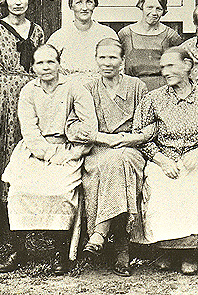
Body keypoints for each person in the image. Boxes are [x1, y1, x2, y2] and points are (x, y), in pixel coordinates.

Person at [0, 44, 97, 275]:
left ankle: (60, 252)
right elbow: (30, 132)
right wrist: (50, 154)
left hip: (68, 149)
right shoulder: (28, 91)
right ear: (33, 67)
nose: (46, 67)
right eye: (40, 63)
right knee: (19, 190)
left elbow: (89, 126)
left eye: (51, 61)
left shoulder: (75, 88)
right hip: (35, 150)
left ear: (59, 64)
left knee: (60, 191)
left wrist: (74, 151)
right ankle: (19, 251)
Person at [133, 47, 198, 274]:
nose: (165, 72)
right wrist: (161, 160)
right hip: (163, 158)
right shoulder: (153, 99)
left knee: (196, 185)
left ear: (187, 65)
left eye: (170, 66)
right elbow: (139, 135)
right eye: (162, 67)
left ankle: (190, 252)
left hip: (196, 159)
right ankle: (166, 250)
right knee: (160, 184)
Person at [81, 38, 151, 277]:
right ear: (95, 60)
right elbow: (75, 126)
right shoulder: (88, 89)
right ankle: (122, 246)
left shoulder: (137, 87)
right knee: (115, 164)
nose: (107, 62)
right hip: (99, 150)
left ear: (123, 61)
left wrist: (128, 139)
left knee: (120, 161)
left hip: (131, 149)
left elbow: (150, 126)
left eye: (113, 57)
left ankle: (99, 233)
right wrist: (104, 138)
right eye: (102, 57)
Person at [0, 0, 45, 203]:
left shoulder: (37, 31)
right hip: (2, 92)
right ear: (5, 1)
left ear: (29, 0)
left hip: (29, 90)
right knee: (2, 139)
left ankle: (26, 197)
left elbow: (41, 64)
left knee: (27, 139)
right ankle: (3, 198)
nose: (17, 2)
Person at [118, 0, 182, 90]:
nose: (154, 13)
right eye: (149, 7)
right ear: (141, 6)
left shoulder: (171, 36)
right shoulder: (125, 34)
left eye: (159, 9)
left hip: (161, 91)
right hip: (132, 89)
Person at [46, 0, 118, 77]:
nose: (84, 8)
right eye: (79, 3)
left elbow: (118, 69)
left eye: (89, 2)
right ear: (71, 6)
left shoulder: (107, 35)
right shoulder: (58, 37)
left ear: (95, 5)